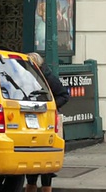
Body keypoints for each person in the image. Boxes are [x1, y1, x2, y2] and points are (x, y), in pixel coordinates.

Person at [25, 52, 70, 192]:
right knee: (31, 160)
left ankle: (46, 187)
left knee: (46, 160)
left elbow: (64, 95)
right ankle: (31, 185)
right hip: (31, 121)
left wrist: (51, 106)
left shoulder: (48, 78)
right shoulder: (25, 78)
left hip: (47, 120)